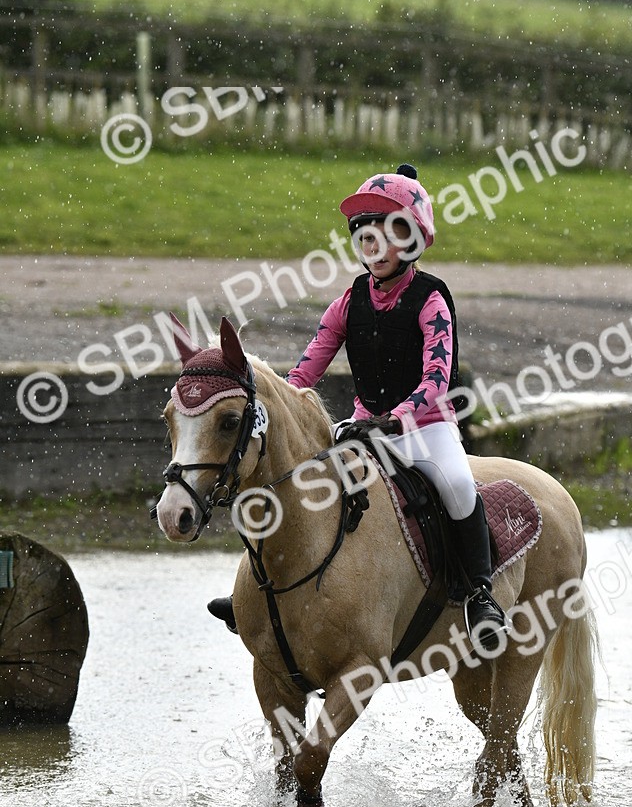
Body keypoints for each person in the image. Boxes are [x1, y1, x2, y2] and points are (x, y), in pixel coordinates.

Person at [209, 164, 506, 653]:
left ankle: (479, 594)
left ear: (411, 240)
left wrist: (392, 419)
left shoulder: (432, 300)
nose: (372, 249)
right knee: (289, 480)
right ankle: (257, 596)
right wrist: (278, 400)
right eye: (366, 238)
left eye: (384, 237)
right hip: (363, 429)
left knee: (455, 484)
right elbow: (307, 368)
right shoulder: (349, 302)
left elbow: (436, 381)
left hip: (424, 428)